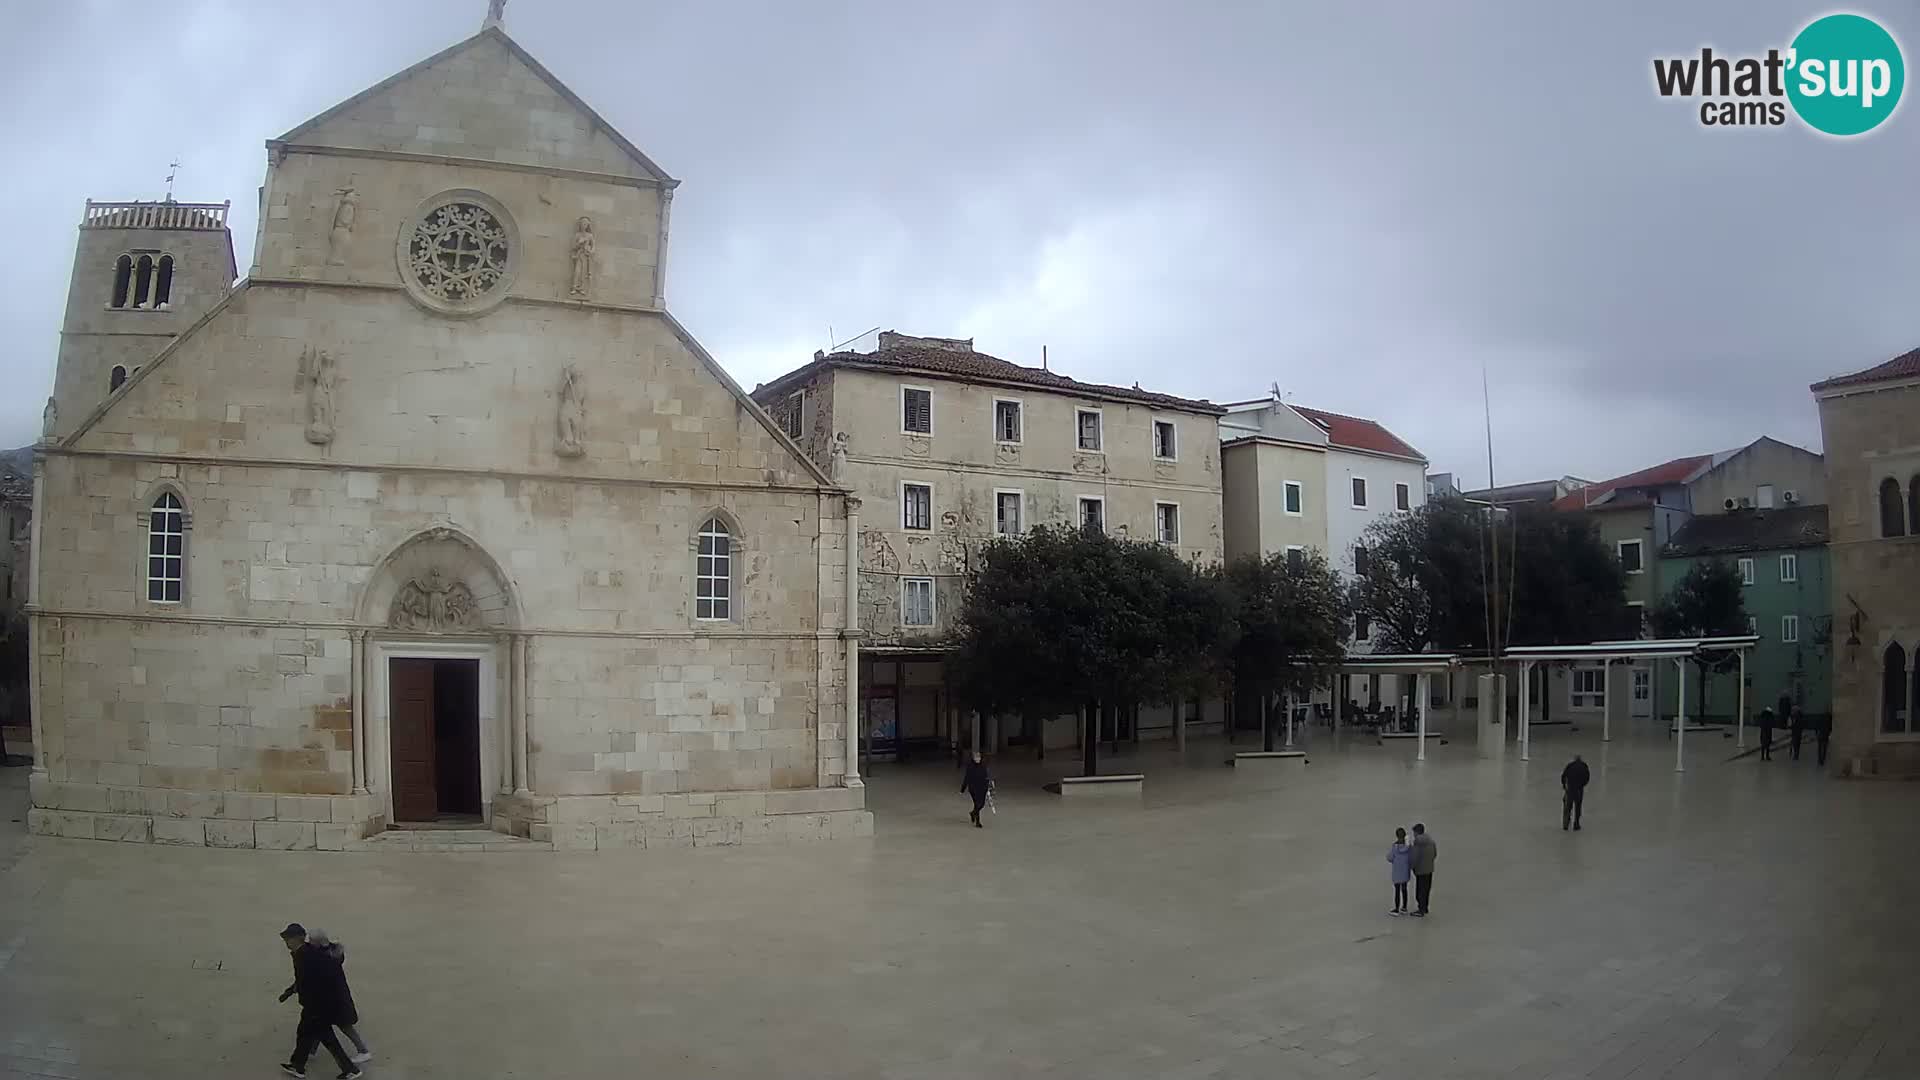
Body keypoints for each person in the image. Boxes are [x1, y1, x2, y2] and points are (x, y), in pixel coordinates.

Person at [276, 923, 362, 1079]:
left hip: (318, 1006)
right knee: (305, 1034)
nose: (286, 942)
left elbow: (317, 979)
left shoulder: (307, 956)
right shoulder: (302, 953)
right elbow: (303, 980)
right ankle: (297, 1066)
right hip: (314, 1005)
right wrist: (290, 992)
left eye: (289, 939)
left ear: (298, 939)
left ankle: (350, 1069)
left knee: (327, 1039)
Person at [307, 929, 371, 1065]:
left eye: (311, 941)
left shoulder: (323, 957)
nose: (309, 943)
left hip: (336, 1000)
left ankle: (363, 1051)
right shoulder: (333, 953)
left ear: (317, 942)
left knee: (344, 1027)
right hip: (338, 998)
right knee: (321, 1025)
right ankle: (311, 1050)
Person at [1408, 823, 1438, 917]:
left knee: (1420, 890)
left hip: (1420, 870)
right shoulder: (1431, 841)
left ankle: (1420, 909)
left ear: (1417, 832)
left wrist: (1411, 866)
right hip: (1429, 869)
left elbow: (1414, 858)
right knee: (1426, 889)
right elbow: (1434, 854)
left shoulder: (1418, 844)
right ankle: (1425, 907)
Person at [960, 751, 992, 828]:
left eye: (979, 758)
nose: (977, 759)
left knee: (982, 804)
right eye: (976, 758)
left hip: (982, 788)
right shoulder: (970, 766)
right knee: (977, 804)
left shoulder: (983, 766)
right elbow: (967, 777)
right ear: (973, 758)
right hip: (973, 788)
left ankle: (973, 813)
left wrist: (989, 786)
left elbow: (986, 776)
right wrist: (963, 788)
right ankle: (978, 822)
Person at [1386, 827, 1412, 915]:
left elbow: (1389, 858)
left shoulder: (1395, 847)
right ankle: (1404, 907)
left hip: (1397, 872)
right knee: (1404, 889)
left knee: (1397, 890)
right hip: (1405, 872)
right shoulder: (1408, 847)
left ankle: (1396, 908)